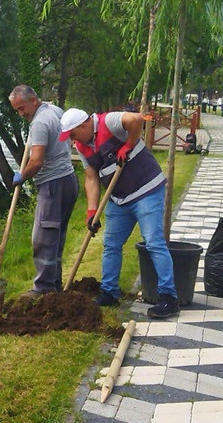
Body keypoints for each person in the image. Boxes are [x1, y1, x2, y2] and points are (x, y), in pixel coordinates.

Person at [58, 108, 180, 319]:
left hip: (146, 191)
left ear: (84, 125)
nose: (71, 140)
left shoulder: (109, 122)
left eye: (73, 134)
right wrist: (92, 212)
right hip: (119, 199)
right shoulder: (82, 146)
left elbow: (136, 119)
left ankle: (169, 297)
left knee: (153, 242)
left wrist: (128, 145)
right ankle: (109, 292)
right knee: (111, 244)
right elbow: (91, 178)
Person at [8, 85, 79, 299]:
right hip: (69, 180)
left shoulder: (39, 122)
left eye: (22, 108)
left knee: (43, 238)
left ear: (33, 100)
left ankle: (43, 288)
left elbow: (37, 161)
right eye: (17, 111)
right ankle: (54, 283)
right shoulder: (55, 111)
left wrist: (23, 176)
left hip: (53, 184)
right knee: (56, 236)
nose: (21, 114)